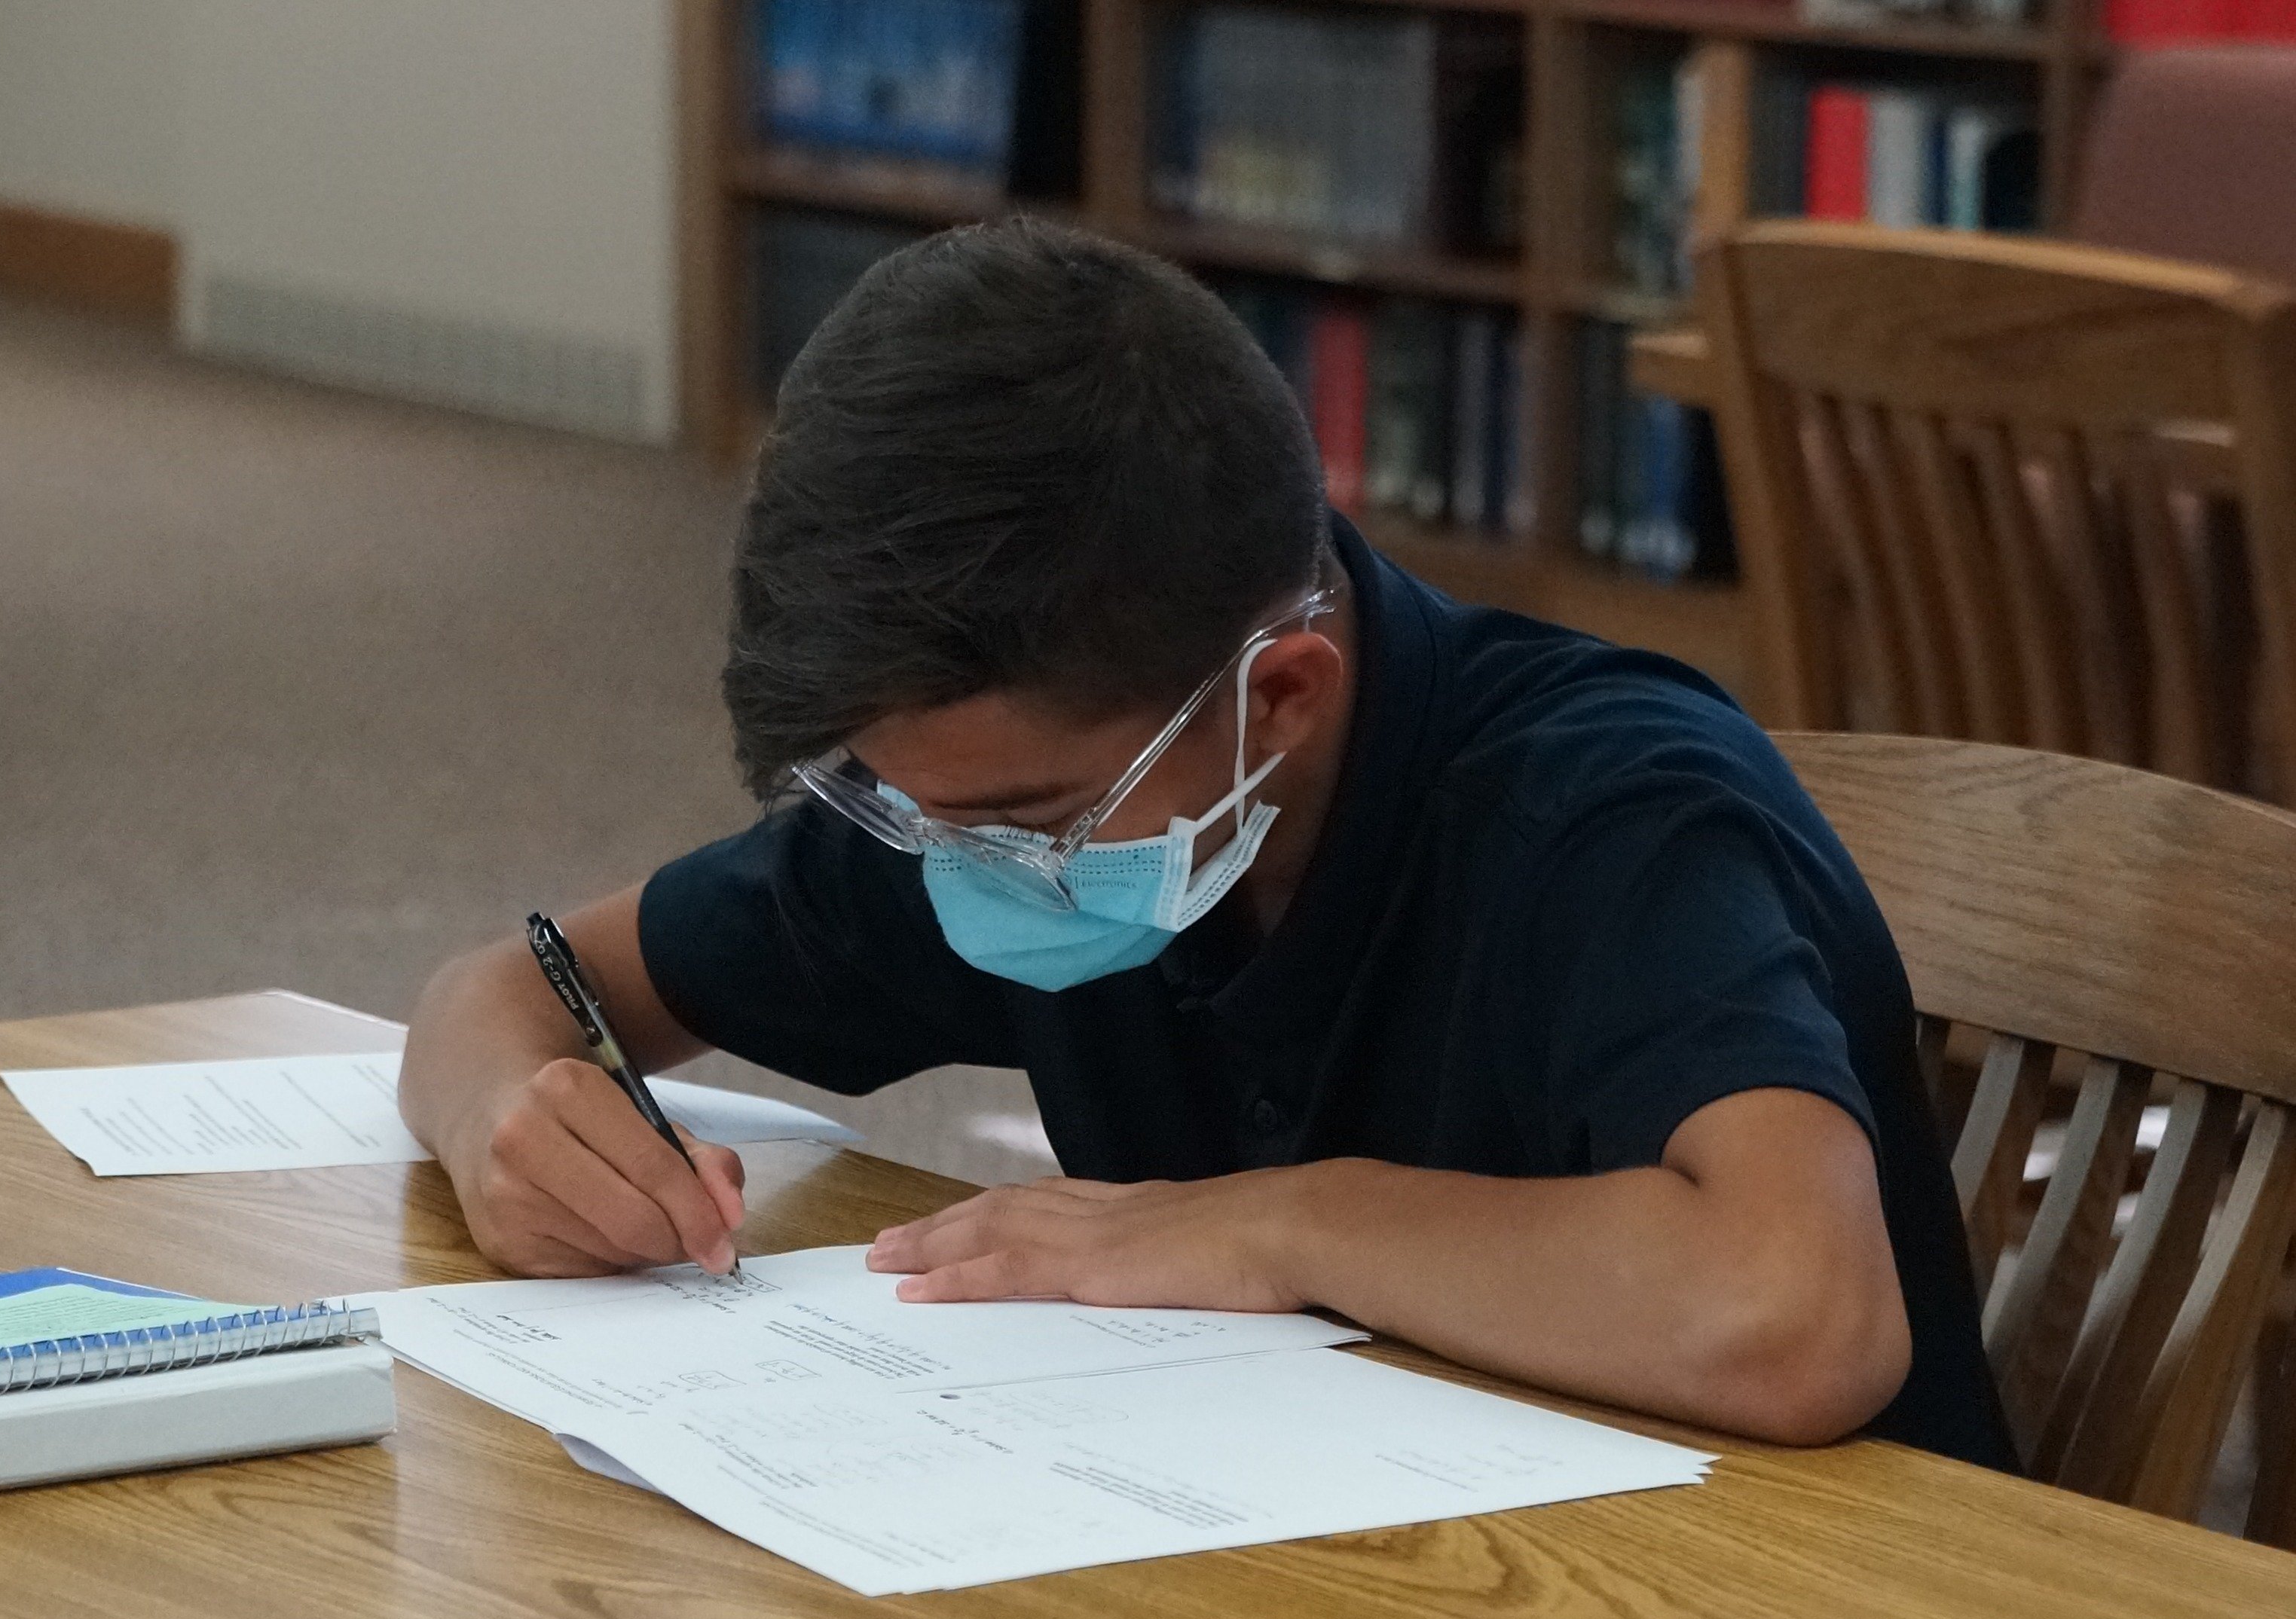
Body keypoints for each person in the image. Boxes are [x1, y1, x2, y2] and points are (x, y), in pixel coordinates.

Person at [397, 215, 2013, 1468]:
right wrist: (501, 1130)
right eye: (902, 807)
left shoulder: (1605, 816)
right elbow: (514, 987)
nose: (954, 863)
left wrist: (1273, 1222)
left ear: (1278, 695)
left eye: (1018, 821)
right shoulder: (999, 798)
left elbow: (1793, 1310)